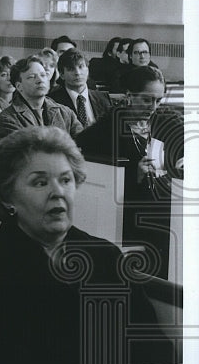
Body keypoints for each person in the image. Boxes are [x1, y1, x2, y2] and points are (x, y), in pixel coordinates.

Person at [0, 127, 169, 364]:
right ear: (7, 196)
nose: (58, 192)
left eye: (66, 180)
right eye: (40, 182)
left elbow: (155, 353)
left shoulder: (105, 256)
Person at [77, 65, 181, 279]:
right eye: (147, 100)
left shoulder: (163, 119)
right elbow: (95, 183)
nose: (153, 107)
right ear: (128, 96)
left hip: (164, 205)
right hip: (130, 216)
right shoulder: (103, 133)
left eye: (158, 100)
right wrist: (134, 176)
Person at [0, 55, 82, 139]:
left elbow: (82, 143)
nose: (40, 80)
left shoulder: (65, 113)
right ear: (19, 86)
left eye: (43, 75)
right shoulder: (7, 119)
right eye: (32, 77)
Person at [48, 48, 112, 130]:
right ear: (62, 74)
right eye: (71, 69)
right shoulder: (52, 101)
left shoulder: (103, 98)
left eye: (81, 67)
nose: (77, 73)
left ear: (87, 70)